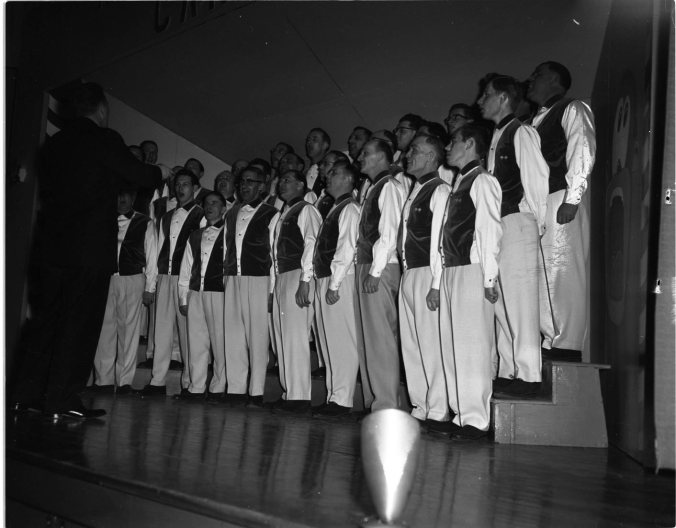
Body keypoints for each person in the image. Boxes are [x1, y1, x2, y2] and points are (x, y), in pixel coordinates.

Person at [11, 82, 168, 419]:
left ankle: (24, 395)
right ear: (101, 109)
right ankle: (62, 400)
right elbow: (140, 175)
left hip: (50, 246)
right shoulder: (103, 139)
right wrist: (158, 172)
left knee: (45, 322)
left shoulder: (54, 144)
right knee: (78, 324)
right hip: (88, 249)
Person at [477, 74, 549, 397]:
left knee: (519, 302)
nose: (480, 101)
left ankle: (529, 375)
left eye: (487, 95)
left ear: (504, 98)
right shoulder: (495, 136)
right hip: (498, 225)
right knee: (502, 303)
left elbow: (537, 180)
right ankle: (508, 369)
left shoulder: (521, 132)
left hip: (518, 221)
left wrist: (534, 224)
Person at [435, 123, 502, 440]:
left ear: (470, 144)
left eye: (453, 142)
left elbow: (490, 231)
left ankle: (476, 418)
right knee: (453, 345)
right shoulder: (459, 183)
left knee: (473, 346)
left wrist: (489, 278)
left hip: (472, 269)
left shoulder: (483, 181)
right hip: (452, 270)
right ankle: (461, 413)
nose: (448, 148)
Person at [526, 61, 596, 362]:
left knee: (562, 271)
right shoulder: (531, 122)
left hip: (560, 197)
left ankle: (566, 346)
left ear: (555, 79)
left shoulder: (572, 108)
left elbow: (582, 147)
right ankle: (548, 343)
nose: (531, 79)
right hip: (537, 204)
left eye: (538, 74)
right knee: (541, 275)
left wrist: (573, 197)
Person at [398, 135, 451, 424]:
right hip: (409, 273)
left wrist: (436, 284)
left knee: (431, 344)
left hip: (427, 273)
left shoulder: (439, 190)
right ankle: (420, 405)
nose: (408, 154)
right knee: (412, 345)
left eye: (415, 151)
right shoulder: (416, 190)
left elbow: (441, 240)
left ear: (431, 156)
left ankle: (438, 409)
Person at [139, 169, 205, 396]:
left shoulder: (201, 215)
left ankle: (189, 383)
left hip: (186, 280)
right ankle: (157, 381)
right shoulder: (166, 217)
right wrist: (151, 284)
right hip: (165, 278)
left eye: (185, 184)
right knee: (161, 330)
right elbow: (155, 250)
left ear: (195, 188)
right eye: (178, 184)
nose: (180, 188)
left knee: (188, 333)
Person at [222, 166, 280, 406]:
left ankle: (256, 391)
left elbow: (274, 252)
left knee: (257, 335)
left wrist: (272, 289)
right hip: (232, 278)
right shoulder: (231, 213)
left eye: (250, 181)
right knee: (233, 333)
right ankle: (235, 388)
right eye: (242, 182)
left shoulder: (271, 213)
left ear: (261, 186)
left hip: (259, 278)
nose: (245, 186)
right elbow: (226, 248)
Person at [355, 138, 405, 411]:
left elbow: (389, 231)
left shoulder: (389, 186)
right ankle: (376, 401)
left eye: (366, 152)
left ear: (382, 157)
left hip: (381, 266)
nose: (360, 157)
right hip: (368, 265)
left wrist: (375, 271)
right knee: (369, 340)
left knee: (380, 338)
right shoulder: (374, 187)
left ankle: (386, 405)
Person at [91, 189, 158, 394]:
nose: (122, 198)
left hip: (132, 279)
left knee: (128, 331)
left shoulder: (145, 222)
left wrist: (150, 287)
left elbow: (152, 256)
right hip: (106, 279)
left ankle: (123, 381)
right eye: (118, 194)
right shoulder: (103, 220)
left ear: (133, 198)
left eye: (126, 194)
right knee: (104, 330)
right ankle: (103, 380)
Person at [270, 170, 321, 413]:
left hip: (297, 275)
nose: (282, 183)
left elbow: (312, 243)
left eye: (288, 180)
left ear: (301, 184)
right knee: (281, 337)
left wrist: (305, 279)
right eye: (281, 179)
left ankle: (299, 395)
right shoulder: (284, 213)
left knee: (295, 336)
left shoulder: (306, 210)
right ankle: (289, 390)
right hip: (283, 276)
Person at [313, 160, 361, 416]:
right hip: (327, 279)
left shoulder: (350, 208)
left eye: (335, 173)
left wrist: (334, 284)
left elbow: (346, 248)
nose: (328, 177)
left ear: (348, 180)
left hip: (339, 280)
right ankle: (334, 394)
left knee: (342, 340)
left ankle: (342, 399)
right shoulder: (336, 207)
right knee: (329, 340)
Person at [178, 191, 227, 401]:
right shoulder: (195, 235)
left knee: (220, 342)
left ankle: (218, 387)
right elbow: (186, 268)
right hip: (196, 292)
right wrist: (183, 297)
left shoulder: (230, 233)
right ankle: (196, 387)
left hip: (219, 293)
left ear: (224, 208)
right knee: (196, 341)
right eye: (207, 203)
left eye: (215, 203)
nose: (210, 206)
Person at [305, 128, 331, 196]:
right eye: (308, 140)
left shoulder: (330, 170)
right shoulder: (304, 173)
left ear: (325, 145)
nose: (309, 142)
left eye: (314, 140)